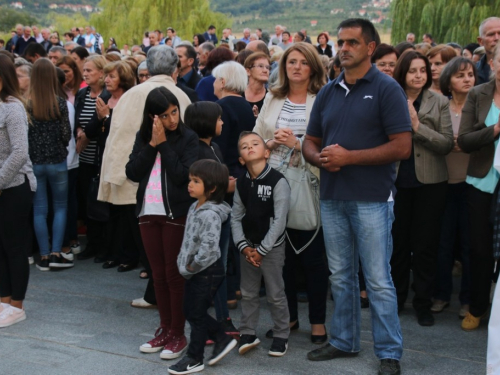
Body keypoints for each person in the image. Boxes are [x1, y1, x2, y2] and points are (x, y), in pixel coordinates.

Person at [302, 19, 412, 375]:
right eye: (340, 41)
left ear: (370, 47)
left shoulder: (386, 89)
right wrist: (316, 158)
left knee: (378, 279)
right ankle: (344, 341)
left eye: (352, 42)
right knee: (341, 275)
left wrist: (349, 157)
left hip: (372, 198)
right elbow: (310, 140)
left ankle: (389, 352)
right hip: (333, 197)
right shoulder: (328, 91)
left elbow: (403, 147)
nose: (343, 47)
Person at [97, 45, 191, 310]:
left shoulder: (130, 95)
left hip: (134, 178)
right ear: (176, 69)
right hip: (168, 182)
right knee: (165, 246)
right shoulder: (180, 95)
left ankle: (160, 295)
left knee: (150, 246)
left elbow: (115, 140)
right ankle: (159, 295)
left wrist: (112, 177)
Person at [253, 42, 328, 344]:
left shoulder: (323, 98)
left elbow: (329, 142)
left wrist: (298, 145)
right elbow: (257, 135)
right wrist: (270, 143)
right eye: (291, 61)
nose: (296, 66)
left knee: (313, 257)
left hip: (310, 181)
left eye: (303, 62)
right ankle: (289, 318)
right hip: (274, 182)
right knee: (280, 258)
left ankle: (319, 322)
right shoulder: (273, 97)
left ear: (313, 67)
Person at [126, 87, 198, 359]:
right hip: (147, 212)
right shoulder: (144, 137)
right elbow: (132, 171)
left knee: (173, 275)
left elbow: (182, 177)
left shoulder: (187, 138)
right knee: (157, 275)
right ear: (152, 117)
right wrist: (152, 145)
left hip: (174, 213)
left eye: (174, 112)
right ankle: (165, 330)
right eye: (165, 115)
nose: (172, 120)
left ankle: (178, 333)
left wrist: (164, 144)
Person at [390, 50, 454, 326]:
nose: (418, 75)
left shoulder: (439, 101)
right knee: (398, 245)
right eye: (413, 70)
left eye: (423, 70)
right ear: (402, 73)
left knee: (426, 246)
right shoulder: (390, 97)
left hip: (431, 183)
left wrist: (417, 126)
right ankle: (396, 299)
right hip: (395, 181)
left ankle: (423, 303)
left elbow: (446, 143)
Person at [168, 160, 236, 375]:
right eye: (190, 180)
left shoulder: (210, 214)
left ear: (212, 188)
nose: (190, 184)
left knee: (196, 314)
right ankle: (222, 338)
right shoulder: (194, 206)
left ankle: (194, 358)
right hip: (196, 271)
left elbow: (209, 247)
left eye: (196, 181)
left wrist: (193, 265)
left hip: (207, 270)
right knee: (190, 310)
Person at [231, 131, 291, 357]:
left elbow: (279, 221)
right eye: (244, 147)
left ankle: (281, 334)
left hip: (271, 249)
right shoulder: (241, 183)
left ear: (267, 153)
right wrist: (244, 247)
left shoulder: (278, 181)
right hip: (248, 248)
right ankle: (247, 332)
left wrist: (262, 250)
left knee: (275, 293)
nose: (249, 148)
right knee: (248, 292)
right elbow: (236, 217)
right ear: (241, 159)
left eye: (255, 144)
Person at [457, 43, 500, 332]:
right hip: (482, 182)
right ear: (492, 64)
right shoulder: (478, 93)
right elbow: (465, 140)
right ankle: (477, 307)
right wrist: (495, 130)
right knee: (479, 248)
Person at [432, 57, 477, 318]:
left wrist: (458, 142)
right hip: (443, 183)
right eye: (461, 75)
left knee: (470, 245)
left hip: (471, 183)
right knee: (443, 243)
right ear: (449, 80)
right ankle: (441, 295)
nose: (467, 79)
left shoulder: (478, 107)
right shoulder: (441, 107)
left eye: (470, 74)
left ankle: (468, 300)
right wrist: (455, 142)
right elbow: (442, 141)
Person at [84, 61, 137, 271]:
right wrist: (101, 117)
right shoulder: (104, 99)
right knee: (110, 210)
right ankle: (112, 252)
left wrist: (107, 116)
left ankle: (128, 256)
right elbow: (90, 130)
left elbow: (125, 133)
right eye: (106, 76)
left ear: (123, 79)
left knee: (126, 213)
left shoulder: (129, 100)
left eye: (112, 76)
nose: (107, 80)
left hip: (125, 163)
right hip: (104, 160)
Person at [0, 55, 36, 328]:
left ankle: (17, 305)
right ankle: (3, 301)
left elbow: (19, 153)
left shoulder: (13, 108)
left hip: (14, 188)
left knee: (14, 248)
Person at [27, 59, 72, 271]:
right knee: (61, 207)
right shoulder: (59, 103)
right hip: (58, 162)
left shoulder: (25, 103)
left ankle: (43, 256)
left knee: (39, 210)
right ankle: (56, 253)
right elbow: (66, 135)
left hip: (35, 163)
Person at [73, 55, 108, 261]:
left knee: (100, 202)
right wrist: (79, 131)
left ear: (101, 73)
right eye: (84, 70)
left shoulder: (106, 95)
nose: (85, 74)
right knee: (87, 200)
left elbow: (102, 124)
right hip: (83, 157)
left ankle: (103, 244)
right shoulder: (82, 93)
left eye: (89, 71)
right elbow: (78, 119)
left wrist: (86, 135)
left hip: (100, 155)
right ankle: (92, 244)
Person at [244, 52, 270, 116]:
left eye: (267, 67)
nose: (265, 70)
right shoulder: (238, 95)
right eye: (260, 66)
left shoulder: (271, 98)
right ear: (248, 71)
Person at [476, 17, 500, 84]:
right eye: (491, 34)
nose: (497, 38)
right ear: (481, 41)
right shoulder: (472, 72)